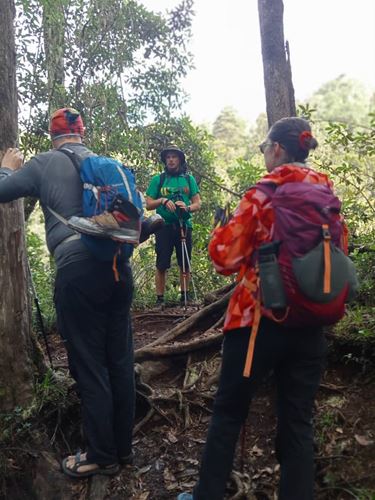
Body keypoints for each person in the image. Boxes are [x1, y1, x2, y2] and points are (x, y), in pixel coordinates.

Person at [178, 117, 344, 500]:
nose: (263, 153)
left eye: (264, 147)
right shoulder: (326, 193)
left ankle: (206, 495)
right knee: (298, 424)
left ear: (279, 149)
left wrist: (220, 229)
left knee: (229, 413)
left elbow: (225, 258)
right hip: (311, 325)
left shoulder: (262, 193)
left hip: (257, 322)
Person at [0, 108, 135, 478]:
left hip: (78, 270)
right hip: (119, 269)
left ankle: (100, 457)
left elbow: (1, 190)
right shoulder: (103, 164)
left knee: (90, 367)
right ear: (82, 133)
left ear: (52, 135)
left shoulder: (44, 163)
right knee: (119, 362)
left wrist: (7, 166)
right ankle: (123, 451)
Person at [145, 146, 201, 306]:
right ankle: (160, 299)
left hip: (184, 224)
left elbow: (198, 203)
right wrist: (163, 200)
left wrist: (187, 207)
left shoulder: (189, 179)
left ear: (180, 160)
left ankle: (184, 296)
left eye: (174, 157)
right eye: (168, 157)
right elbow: (148, 203)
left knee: (185, 262)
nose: (170, 160)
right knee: (162, 263)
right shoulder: (159, 179)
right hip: (163, 226)